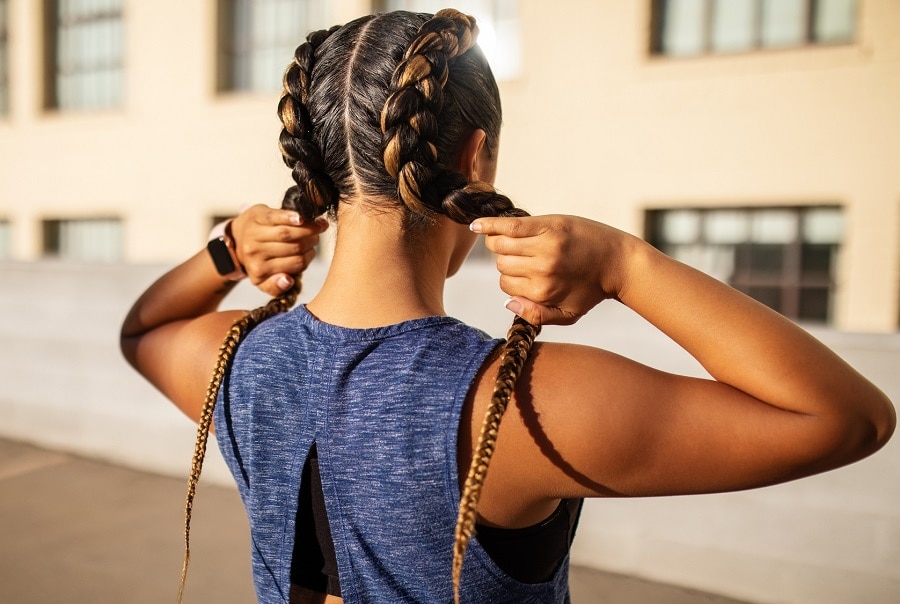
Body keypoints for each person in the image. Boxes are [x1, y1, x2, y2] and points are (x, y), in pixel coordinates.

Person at [120, 8, 895, 604]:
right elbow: (844, 418)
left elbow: (142, 329)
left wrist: (225, 250)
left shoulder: (238, 359)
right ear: (475, 158)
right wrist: (628, 263)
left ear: (317, 166)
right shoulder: (517, 402)